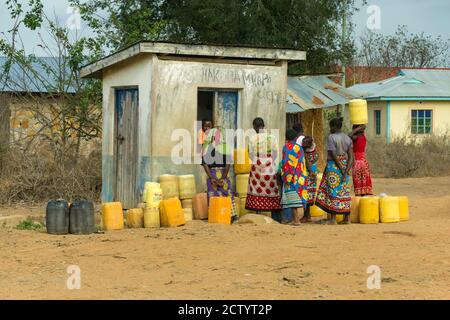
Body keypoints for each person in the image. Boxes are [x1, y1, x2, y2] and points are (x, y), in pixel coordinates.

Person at [316, 117, 353, 225]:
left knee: (333, 190)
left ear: (334, 127)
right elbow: (351, 156)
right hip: (345, 163)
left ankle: (333, 219)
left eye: (330, 126)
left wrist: (341, 169)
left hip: (333, 166)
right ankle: (347, 218)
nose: (329, 129)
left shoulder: (331, 137)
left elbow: (333, 154)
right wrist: (346, 170)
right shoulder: (347, 138)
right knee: (344, 191)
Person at [202, 122, 238, 222]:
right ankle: (215, 217)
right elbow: (205, 164)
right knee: (213, 197)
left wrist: (223, 178)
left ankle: (230, 216)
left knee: (227, 194)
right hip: (212, 174)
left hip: (223, 174)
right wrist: (212, 178)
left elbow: (228, 164)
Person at [245, 117, 282, 214]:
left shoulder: (252, 138)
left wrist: (258, 162)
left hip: (256, 167)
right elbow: (275, 153)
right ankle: (273, 211)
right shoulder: (272, 137)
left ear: (254, 127)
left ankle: (258, 212)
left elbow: (250, 153)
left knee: (256, 187)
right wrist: (269, 162)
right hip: (269, 165)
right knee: (271, 187)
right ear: (263, 126)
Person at [280, 129, 309, 225]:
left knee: (292, 197)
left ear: (286, 138)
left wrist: (287, 177)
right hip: (300, 175)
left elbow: (287, 162)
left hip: (291, 176)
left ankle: (296, 220)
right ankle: (295, 219)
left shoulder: (287, 147)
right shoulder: (299, 147)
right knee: (296, 196)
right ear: (295, 138)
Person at [350, 124, 373, 196]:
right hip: (363, 161)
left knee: (358, 181)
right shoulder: (363, 137)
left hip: (357, 161)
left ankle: (359, 198)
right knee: (364, 181)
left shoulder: (355, 137)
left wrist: (356, 129)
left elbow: (348, 135)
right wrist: (359, 128)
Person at [300, 136, 319, 223]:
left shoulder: (307, 153)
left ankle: (306, 216)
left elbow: (307, 163)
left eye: (304, 144)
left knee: (307, 195)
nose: (302, 146)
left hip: (309, 175)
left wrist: (311, 172)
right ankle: (307, 215)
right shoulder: (314, 152)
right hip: (312, 175)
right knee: (309, 196)